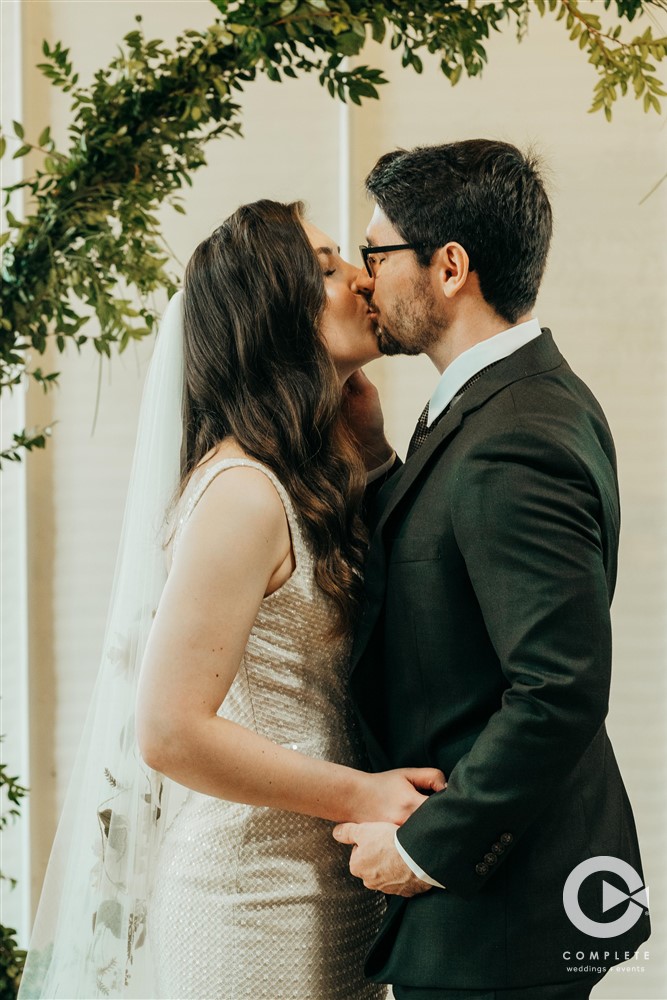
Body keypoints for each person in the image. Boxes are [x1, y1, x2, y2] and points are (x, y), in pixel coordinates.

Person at [19, 200, 444, 1000]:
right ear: (270, 317)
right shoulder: (244, 493)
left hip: (333, 892)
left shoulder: (305, 479)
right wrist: (363, 792)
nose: (361, 277)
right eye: (322, 269)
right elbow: (170, 731)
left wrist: (378, 454)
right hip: (254, 905)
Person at [333, 141, 650, 1000]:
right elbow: (455, 563)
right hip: (502, 900)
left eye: (375, 252)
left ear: (448, 267)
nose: (363, 279)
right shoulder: (505, 400)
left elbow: (559, 686)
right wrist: (371, 459)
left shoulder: (514, 433)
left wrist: (422, 847)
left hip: (500, 906)